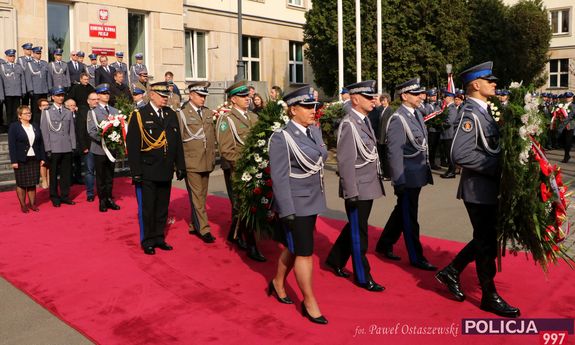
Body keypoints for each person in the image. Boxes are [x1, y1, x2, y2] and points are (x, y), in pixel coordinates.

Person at [435, 61, 520, 318]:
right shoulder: (470, 114)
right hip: (478, 190)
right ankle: (488, 296)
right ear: (476, 84)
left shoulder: (484, 110)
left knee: (486, 239)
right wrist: (497, 166)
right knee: (486, 243)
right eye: (490, 80)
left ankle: (451, 271)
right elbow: (459, 153)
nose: (494, 84)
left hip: (487, 188)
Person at [268, 85, 328, 324]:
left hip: (312, 200)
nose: (313, 111)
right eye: (307, 107)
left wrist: (318, 134)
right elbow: (280, 177)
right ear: (293, 110)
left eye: (314, 106)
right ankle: (309, 301)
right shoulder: (281, 138)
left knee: (294, 247)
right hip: (296, 204)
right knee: (304, 252)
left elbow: (320, 157)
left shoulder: (312, 132)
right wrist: (287, 210)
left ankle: (277, 282)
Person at [325, 80, 385, 292]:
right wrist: (350, 192)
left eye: (373, 96)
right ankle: (362, 276)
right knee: (360, 233)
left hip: (367, 184)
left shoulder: (364, 120)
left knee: (355, 227)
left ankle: (335, 260)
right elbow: (346, 161)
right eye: (368, 97)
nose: (373, 100)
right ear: (355, 99)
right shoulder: (349, 124)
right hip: (357, 187)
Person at [375, 78, 436, 271]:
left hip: (417, 174)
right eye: (417, 94)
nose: (421, 97)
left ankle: (384, 243)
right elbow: (394, 153)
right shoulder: (398, 119)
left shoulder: (416, 114)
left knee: (402, 211)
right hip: (407, 177)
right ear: (404, 96)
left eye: (421, 93)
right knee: (410, 217)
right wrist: (398, 180)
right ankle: (416, 256)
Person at [127, 82, 186, 255]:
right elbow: (133, 145)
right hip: (148, 170)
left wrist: (180, 165)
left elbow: (176, 143)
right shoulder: (140, 115)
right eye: (162, 96)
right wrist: (136, 171)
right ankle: (148, 240)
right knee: (148, 207)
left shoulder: (170, 114)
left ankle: (159, 237)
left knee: (162, 207)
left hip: (166, 169)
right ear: (151, 95)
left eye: (166, 96)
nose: (165, 99)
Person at [217, 80, 266, 262]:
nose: (248, 98)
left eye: (248, 95)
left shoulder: (253, 117)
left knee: (245, 205)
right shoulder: (226, 119)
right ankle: (252, 245)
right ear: (233, 99)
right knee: (244, 206)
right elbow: (226, 149)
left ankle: (233, 234)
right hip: (237, 171)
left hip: (255, 169)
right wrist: (246, 165)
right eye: (244, 96)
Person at [177, 81, 217, 243]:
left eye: (204, 96)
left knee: (202, 195)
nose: (203, 99)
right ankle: (204, 228)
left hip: (207, 160)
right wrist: (179, 165)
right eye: (200, 96)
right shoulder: (182, 113)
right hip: (191, 161)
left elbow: (211, 136)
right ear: (191, 95)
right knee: (197, 196)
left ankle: (194, 224)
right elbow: (179, 139)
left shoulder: (207, 112)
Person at [87, 84, 122, 212]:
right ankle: (102, 200)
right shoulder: (93, 112)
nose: (106, 95)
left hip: (111, 150)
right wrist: (107, 139)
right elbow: (91, 131)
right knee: (101, 176)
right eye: (103, 93)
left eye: (108, 93)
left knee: (109, 175)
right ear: (98, 95)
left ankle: (109, 198)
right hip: (99, 148)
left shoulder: (114, 110)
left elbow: (119, 128)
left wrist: (116, 138)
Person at [40, 86, 76, 207]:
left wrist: (73, 145)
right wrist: (47, 148)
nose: (60, 97)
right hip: (54, 147)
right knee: (54, 174)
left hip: (66, 146)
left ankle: (65, 195)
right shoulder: (47, 112)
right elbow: (44, 131)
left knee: (66, 173)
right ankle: (54, 196)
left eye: (62, 95)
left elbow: (71, 130)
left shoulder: (67, 111)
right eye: (58, 95)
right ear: (53, 97)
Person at [8, 105, 45, 213]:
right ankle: (23, 205)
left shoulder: (35, 125)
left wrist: (42, 157)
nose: (29, 114)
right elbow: (12, 145)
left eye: (29, 113)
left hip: (34, 158)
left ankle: (33, 204)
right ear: (20, 116)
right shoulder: (14, 127)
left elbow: (40, 143)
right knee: (21, 183)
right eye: (26, 113)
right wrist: (14, 161)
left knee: (32, 182)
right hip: (21, 159)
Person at [79, 92, 98, 202]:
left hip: (101, 146)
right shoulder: (83, 112)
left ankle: (103, 191)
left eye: (97, 99)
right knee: (90, 171)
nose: (96, 101)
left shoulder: (102, 111)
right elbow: (80, 130)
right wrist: (83, 146)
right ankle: (90, 193)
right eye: (93, 99)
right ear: (88, 101)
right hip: (89, 146)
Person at [0, 49, 27, 127]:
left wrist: (23, 91)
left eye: (13, 56)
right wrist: (1, 95)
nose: (12, 58)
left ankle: (16, 127)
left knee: (17, 111)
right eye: (10, 56)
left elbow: (22, 80)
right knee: (9, 112)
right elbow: (1, 82)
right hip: (7, 93)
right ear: (7, 57)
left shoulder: (18, 67)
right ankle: (10, 128)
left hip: (17, 92)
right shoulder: (2, 67)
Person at [24, 46, 49, 125]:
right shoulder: (29, 64)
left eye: (40, 53)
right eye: (37, 53)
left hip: (44, 89)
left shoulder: (44, 63)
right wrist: (30, 89)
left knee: (45, 107)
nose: (39, 55)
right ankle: (35, 123)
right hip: (35, 90)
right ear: (33, 54)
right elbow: (28, 78)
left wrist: (49, 88)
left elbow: (47, 77)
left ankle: (44, 122)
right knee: (35, 108)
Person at [439, 90, 459, 178]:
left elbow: (450, 121)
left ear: (450, 98)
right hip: (446, 134)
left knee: (449, 154)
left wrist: (440, 124)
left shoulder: (452, 108)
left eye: (445, 97)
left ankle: (452, 171)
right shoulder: (448, 107)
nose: (444, 98)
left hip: (449, 134)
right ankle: (450, 170)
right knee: (447, 153)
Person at [64, 98, 83, 185]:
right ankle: (69, 179)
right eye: (70, 105)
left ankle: (78, 178)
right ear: (66, 106)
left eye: (74, 105)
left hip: (78, 142)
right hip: (68, 142)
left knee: (78, 162)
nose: (72, 107)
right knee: (69, 163)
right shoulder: (64, 115)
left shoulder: (78, 114)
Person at [37, 98, 51, 188]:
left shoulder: (51, 114)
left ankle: (50, 180)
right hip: (40, 142)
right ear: (39, 107)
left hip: (50, 141)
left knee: (50, 162)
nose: (46, 107)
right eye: (43, 105)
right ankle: (44, 180)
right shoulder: (36, 116)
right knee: (43, 162)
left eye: (47, 105)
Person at [559, 91, 574, 163]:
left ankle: (566, 157)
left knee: (568, 142)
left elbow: (570, 116)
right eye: (566, 97)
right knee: (563, 141)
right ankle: (567, 155)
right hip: (563, 126)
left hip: (569, 126)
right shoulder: (562, 105)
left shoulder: (573, 106)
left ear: (572, 98)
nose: (567, 98)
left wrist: (563, 123)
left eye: (569, 97)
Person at [18, 43, 34, 107]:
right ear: (24, 50)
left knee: (34, 104)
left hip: (33, 85)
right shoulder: (20, 60)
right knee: (25, 104)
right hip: (25, 85)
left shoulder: (34, 59)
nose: (29, 50)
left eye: (30, 49)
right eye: (27, 49)